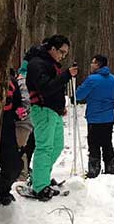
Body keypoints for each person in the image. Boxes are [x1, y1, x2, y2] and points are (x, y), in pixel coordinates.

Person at [23, 35, 79, 200]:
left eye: (65, 54)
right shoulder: (37, 64)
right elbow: (45, 88)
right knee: (45, 147)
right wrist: (66, 75)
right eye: (61, 52)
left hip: (53, 111)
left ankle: (41, 178)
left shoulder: (50, 64)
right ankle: (40, 186)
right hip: (42, 110)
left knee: (57, 146)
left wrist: (60, 107)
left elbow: (54, 88)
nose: (62, 56)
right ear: (52, 48)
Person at [75, 54, 114, 178]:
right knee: (107, 143)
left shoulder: (92, 79)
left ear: (98, 64)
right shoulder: (112, 79)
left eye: (93, 63)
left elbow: (79, 94)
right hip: (109, 117)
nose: (91, 65)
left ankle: (94, 168)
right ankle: (110, 166)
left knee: (93, 144)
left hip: (95, 117)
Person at [0, 69, 32, 205]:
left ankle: (2, 189)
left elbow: (18, 103)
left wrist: (19, 112)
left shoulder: (12, 82)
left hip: (6, 127)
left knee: (14, 166)